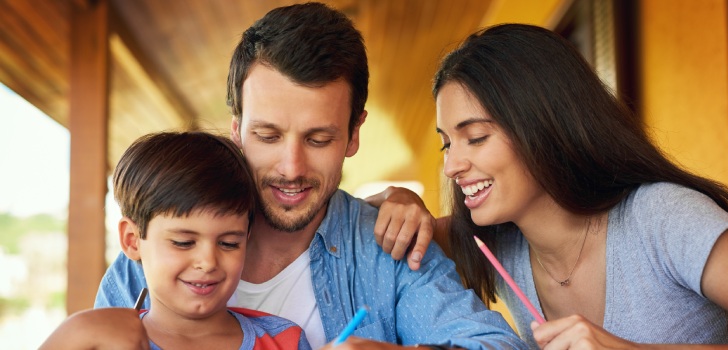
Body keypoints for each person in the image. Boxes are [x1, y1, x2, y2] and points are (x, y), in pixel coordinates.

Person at [94, 3, 526, 350]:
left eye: (318, 139)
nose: (292, 168)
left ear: (354, 134)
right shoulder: (150, 261)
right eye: (267, 136)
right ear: (236, 129)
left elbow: (496, 344)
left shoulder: (388, 250)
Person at [418, 23, 728, 349]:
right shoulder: (494, 240)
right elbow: (385, 233)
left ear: (543, 125)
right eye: (446, 143)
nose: (452, 166)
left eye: (477, 137)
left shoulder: (665, 218)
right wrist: (401, 201)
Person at [42, 131, 311, 350]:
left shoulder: (285, 341)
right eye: (183, 242)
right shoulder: (102, 343)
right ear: (132, 240)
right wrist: (74, 332)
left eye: (229, 243)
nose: (207, 262)